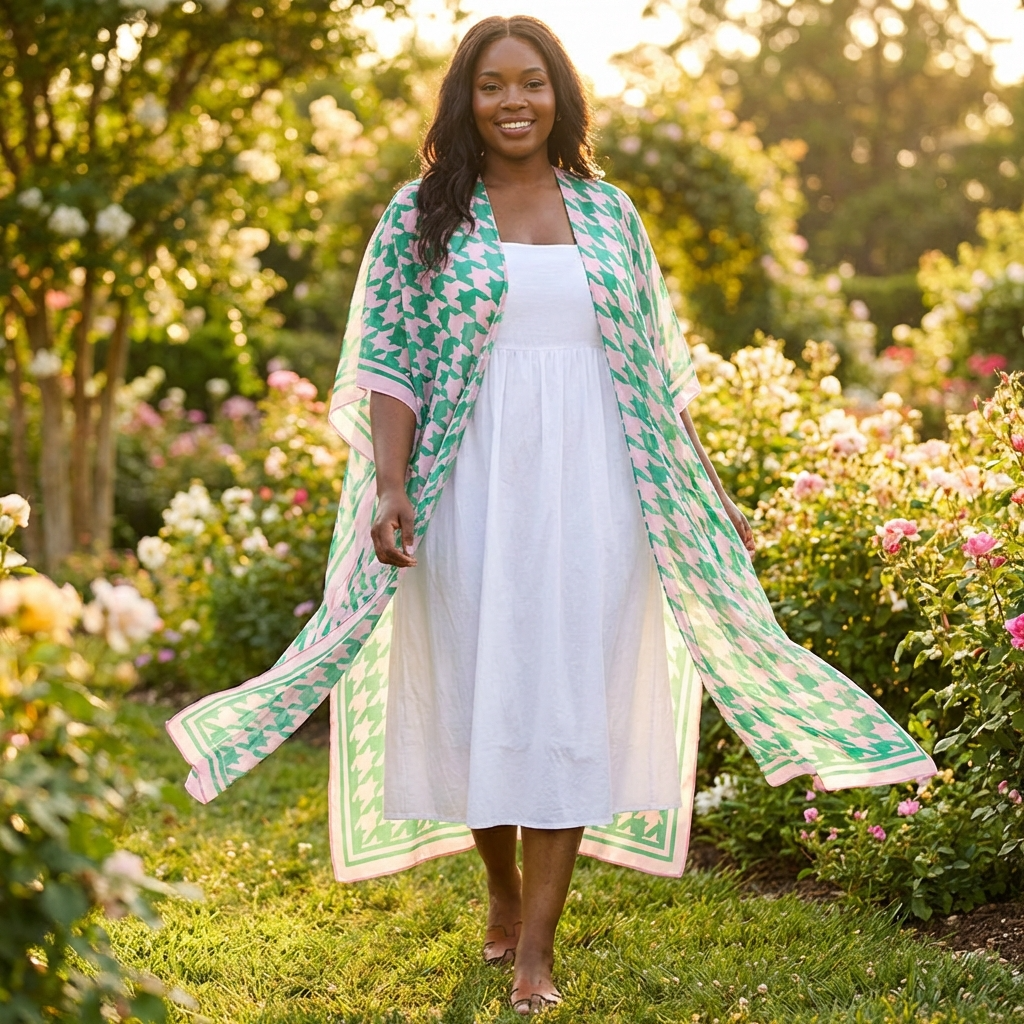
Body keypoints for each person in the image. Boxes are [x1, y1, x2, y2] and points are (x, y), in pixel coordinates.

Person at [167, 14, 936, 1018]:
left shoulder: (609, 213)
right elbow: (391, 363)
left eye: (530, 82)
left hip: (596, 487)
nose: (513, 101)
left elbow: (656, 375)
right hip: (467, 479)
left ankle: (536, 947)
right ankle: (500, 884)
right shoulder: (421, 214)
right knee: (479, 687)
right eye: (491, 85)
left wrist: (707, 491)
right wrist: (391, 484)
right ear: (466, 99)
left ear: (559, 94)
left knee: (566, 693)